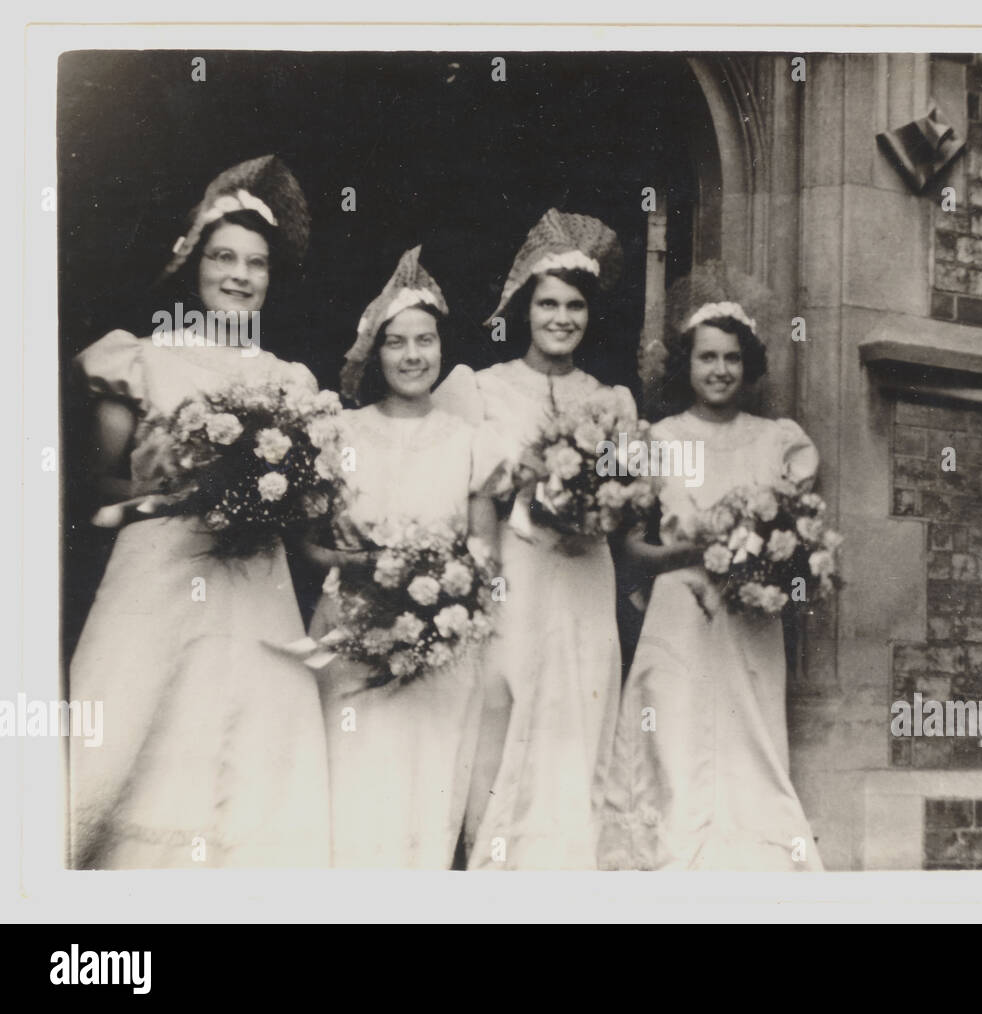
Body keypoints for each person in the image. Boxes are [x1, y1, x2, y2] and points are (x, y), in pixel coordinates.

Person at [68, 155, 331, 868]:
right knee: (139, 733)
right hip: (157, 577)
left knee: (248, 745)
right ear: (195, 265)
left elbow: (308, 507)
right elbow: (99, 496)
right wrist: (184, 492)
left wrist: (264, 493)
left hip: (253, 582)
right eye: (224, 258)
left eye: (256, 263)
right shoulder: (144, 360)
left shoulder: (288, 383)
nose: (240, 276)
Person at [599, 296, 825, 871]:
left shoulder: (778, 441)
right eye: (706, 358)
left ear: (747, 366)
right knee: (673, 743)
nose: (719, 370)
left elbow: (799, 539)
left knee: (750, 742)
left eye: (731, 358)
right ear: (688, 365)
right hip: (679, 610)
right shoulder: (660, 438)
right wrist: (690, 551)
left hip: (749, 614)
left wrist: (764, 567)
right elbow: (628, 548)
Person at [301, 246, 501, 868]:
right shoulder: (343, 434)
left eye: (426, 341)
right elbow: (307, 548)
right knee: (354, 798)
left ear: (442, 348)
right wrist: (367, 568)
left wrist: (442, 598)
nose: (413, 356)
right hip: (351, 638)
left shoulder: (471, 443)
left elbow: (486, 557)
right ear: (374, 351)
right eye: (397, 342)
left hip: (438, 652)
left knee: (423, 804)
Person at [466, 209, 634, 869]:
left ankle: (575, 857)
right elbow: (479, 496)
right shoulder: (485, 389)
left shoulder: (611, 400)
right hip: (521, 569)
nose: (561, 318)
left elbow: (626, 511)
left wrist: (597, 502)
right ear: (525, 309)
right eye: (548, 304)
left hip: (586, 568)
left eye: (574, 306)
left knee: (583, 696)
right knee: (510, 691)